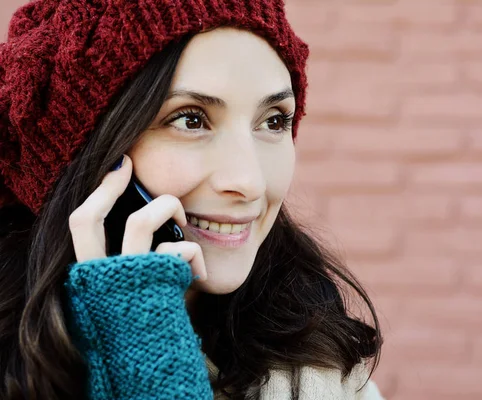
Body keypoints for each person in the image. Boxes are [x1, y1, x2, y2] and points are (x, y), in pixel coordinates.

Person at [0, 1, 383, 399]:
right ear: (85, 155)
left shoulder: (327, 368)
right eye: (191, 119)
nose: (249, 182)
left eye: (274, 121)